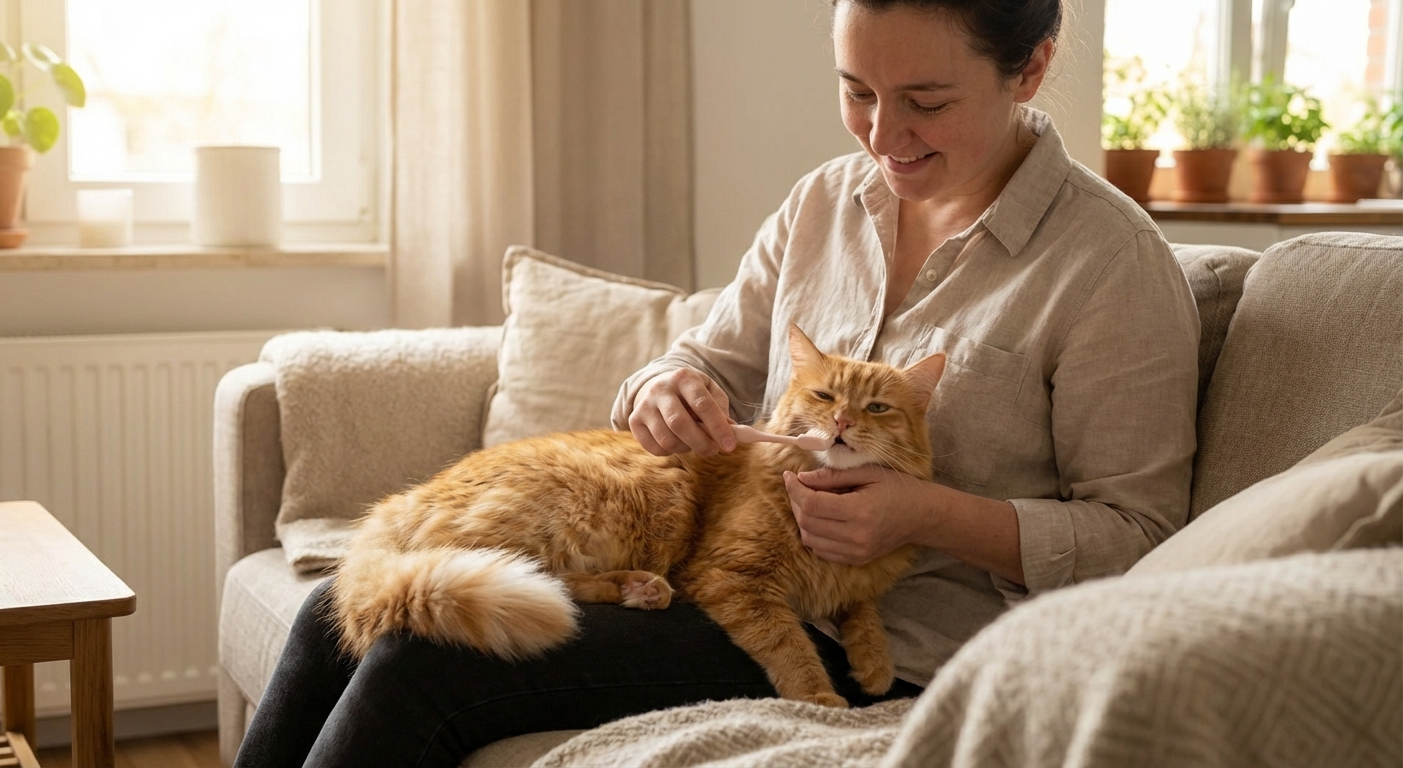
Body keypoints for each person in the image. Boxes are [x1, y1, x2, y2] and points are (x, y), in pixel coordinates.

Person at [235, 1, 1199, 765]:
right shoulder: (826, 202)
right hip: (727, 570)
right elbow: (704, 356)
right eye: (857, 90)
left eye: (927, 102)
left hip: (893, 641)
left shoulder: (1110, 265)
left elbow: (1147, 539)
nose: (882, 134)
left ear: (1029, 69)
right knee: (342, 604)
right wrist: (665, 386)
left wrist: (927, 515)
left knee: (421, 661)